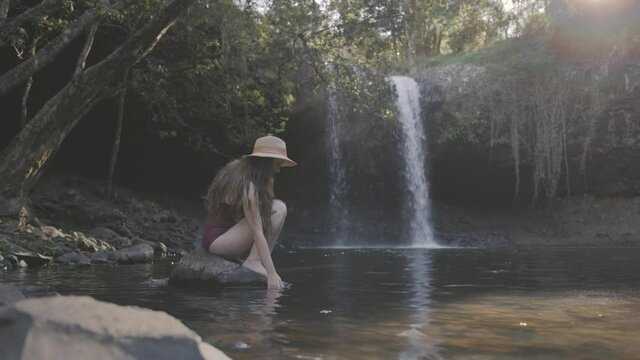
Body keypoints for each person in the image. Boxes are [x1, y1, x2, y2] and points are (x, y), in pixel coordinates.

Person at [203, 135, 296, 289]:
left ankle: (256, 261)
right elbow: (257, 232)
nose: (279, 170)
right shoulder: (248, 185)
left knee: (277, 207)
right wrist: (272, 273)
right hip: (219, 241)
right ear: (266, 162)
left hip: (226, 237)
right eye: (277, 164)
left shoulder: (240, 171)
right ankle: (254, 262)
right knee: (278, 209)